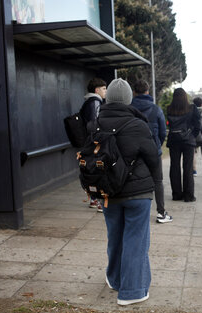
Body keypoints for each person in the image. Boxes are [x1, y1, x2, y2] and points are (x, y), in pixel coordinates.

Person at [99, 78, 160, 306]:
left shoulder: (96, 123)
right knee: (136, 240)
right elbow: (153, 157)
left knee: (114, 236)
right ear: (128, 99)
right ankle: (132, 291)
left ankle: (114, 279)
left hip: (108, 191)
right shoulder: (138, 124)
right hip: (137, 192)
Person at [131, 80, 171, 224]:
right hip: (153, 152)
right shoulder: (156, 109)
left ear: (134, 92)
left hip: (133, 152)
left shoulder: (129, 108)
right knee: (158, 182)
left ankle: (134, 212)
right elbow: (162, 133)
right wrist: (156, 146)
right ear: (148, 91)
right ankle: (161, 212)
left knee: (133, 180)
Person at [166, 88, 201, 202]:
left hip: (173, 140)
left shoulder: (169, 109)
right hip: (188, 141)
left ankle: (176, 194)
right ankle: (188, 195)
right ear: (185, 96)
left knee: (174, 167)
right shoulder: (192, 108)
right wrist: (192, 136)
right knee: (188, 167)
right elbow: (198, 125)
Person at [80, 77, 107, 213]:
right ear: (97, 90)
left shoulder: (88, 101)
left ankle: (93, 199)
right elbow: (95, 123)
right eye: (103, 89)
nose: (105, 91)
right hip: (94, 143)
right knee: (98, 171)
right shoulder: (95, 101)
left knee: (90, 170)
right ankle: (99, 201)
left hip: (88, 142)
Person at [192, 97, 202, 177]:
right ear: (201, 104)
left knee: (194, 153)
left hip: (196, 135)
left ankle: (194, 171)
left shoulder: (191, 112)